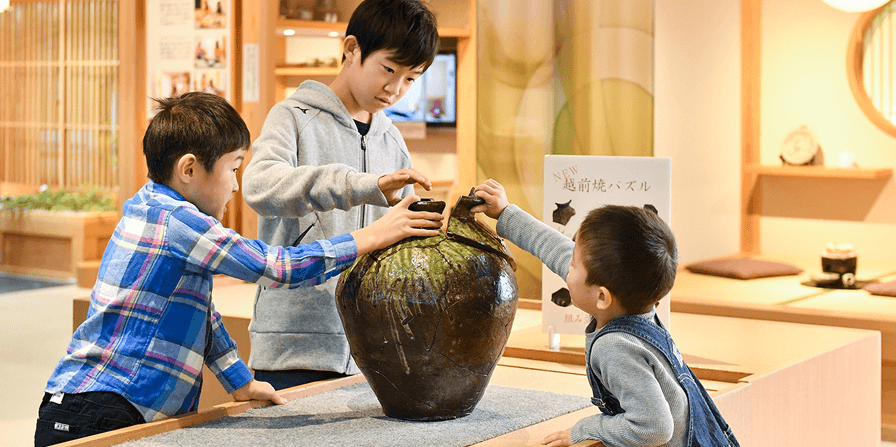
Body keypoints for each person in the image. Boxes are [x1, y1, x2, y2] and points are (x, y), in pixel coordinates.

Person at [34, 92, 442, 447]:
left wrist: (240, 383)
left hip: (97, 405)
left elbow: (202, 316)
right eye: (233, 168)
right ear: (189, 169)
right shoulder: (178, 223)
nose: (235, 185)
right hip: (102, 409)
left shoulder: (149, 207)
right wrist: (372, 235)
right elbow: (276, 267)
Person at [241, 0, 440, 390]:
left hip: (372, 352)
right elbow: (259, 185)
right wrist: (364, 184)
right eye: (388, 70)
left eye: (411, 79)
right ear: (351, 49)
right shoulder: (293, 116)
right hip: (293, 349)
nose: (395, 89)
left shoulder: (392, 139)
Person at [471, 179, 739, 447]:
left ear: (601, 297)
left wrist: (586, 429)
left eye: (573, 266)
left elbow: (654, 427)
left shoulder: (615, 346)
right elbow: (554, 248)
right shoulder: (635, 306)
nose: (567, 268)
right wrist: (506, 212)